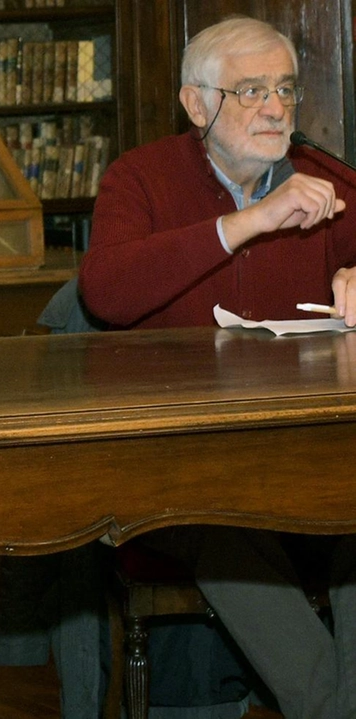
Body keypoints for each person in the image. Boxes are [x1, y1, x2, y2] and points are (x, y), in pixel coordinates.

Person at [79, 16, 356, 718]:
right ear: (197, 104)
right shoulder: (139, 179)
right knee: (226, 520)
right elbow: (104, 290)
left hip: (302, 449)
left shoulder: (327, 182)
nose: (275, 108)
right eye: (252, 90)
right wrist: (252, 220)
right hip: (179, 460)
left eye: (286, 90)